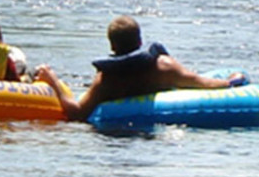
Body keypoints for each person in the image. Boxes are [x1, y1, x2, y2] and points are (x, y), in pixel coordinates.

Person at [34, 15, 246, 122]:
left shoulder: (107, 79)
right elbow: (205, 84)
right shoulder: (164, 66)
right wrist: (233, 81)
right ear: (139, 41)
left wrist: (52, 79)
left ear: (112, 46)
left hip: (115, 133)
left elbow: (77, 114)